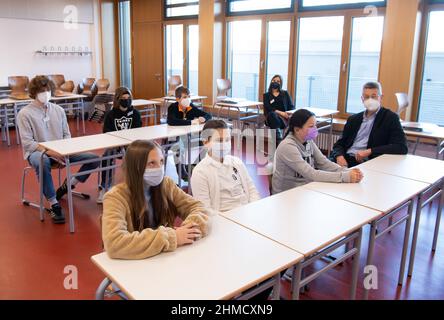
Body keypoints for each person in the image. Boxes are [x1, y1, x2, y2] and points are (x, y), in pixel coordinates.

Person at [102, 140, 209, 259]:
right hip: (133, 264)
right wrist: (172, 237)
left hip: (162, 258)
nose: (159, 168)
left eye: (161, 162)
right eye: (152, 163)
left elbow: (197, 207)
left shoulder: (167, 185)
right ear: (136, 167)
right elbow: (114, 243)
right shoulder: (116, 197)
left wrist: (190, 228)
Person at [17, 75, 100, 224]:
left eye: (48, 90)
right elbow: (28, 143)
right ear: (34, 92)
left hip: (62, 152)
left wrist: (64, 152)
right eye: (42, 91)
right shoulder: (24, 114)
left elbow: (66, 135)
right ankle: (54, 203)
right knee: (42, 162)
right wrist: (52, 153)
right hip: (38, 152)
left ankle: (68, 185)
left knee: (94, 159)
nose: (45, 94)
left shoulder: (59, 110)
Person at [272, 109, 363, 194]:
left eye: (315, 125)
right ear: (297, 130)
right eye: (311, 126)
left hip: (305, 190)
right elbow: (311, 174)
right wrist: (345, 177)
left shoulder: (307, 140)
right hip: (286, 195)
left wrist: (347, 171)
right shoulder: (287, 146)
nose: (315, 129)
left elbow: (323, 163)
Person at [331, 82, 408, 168]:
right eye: (366, 97)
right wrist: (339, 156)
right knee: (323, 171)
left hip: (366, 162)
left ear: (381, 97)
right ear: (362, 99)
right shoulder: (353, 119)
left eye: (373, 96)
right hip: (344, 159)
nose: (370, 100)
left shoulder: (390, 118)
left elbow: (401, 147)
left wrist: (370, 151)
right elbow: (339, 144)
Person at [191, 120, 261, 213]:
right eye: (219, 140)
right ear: (206, 142)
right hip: (223, 219)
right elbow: (205, 210)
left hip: (247, 212)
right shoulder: (200, 172)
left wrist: (254, 209)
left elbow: (252, 190)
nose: (224, 144)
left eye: (227, 139)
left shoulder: (236, 162)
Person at [97, 87, 142, 204]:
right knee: (107, 156)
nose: (126, 101)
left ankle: (135, 186)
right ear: (118, 99)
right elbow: (106, 131)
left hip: (131, 144)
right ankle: (104, 187)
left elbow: (138, 131)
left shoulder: (135, 113)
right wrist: (118, 142)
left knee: (139, 155)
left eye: (128, 98)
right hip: (115, 144)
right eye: (123, 98)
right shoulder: (111, 114)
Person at [263, 75, 295, 144]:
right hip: (270, 118)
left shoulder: (285, 93)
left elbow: (291, 107)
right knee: (272, 114)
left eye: (278, 81)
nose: (275, 82)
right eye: (274, 81)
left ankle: (278, 142)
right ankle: (279, 140)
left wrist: (288, 114)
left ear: (281, 83)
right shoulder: (266, 95)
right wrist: (280, 112)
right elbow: (268, 108)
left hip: (283, 120)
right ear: (271, 82)